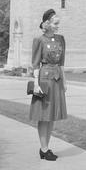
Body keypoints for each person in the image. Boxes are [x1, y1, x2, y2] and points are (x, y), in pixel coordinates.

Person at [29, 9, 67, 161]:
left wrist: (65, 81)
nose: (58, 26)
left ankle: (46, 148)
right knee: (44, 116)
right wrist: (36, 84)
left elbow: (62, 63)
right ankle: (43, 149)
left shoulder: (61, 39)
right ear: (47, 24)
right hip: (44, 80)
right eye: (56, 23)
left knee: (51, 116)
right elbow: (35, 64)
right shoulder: (39, 40)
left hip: (57, 79)